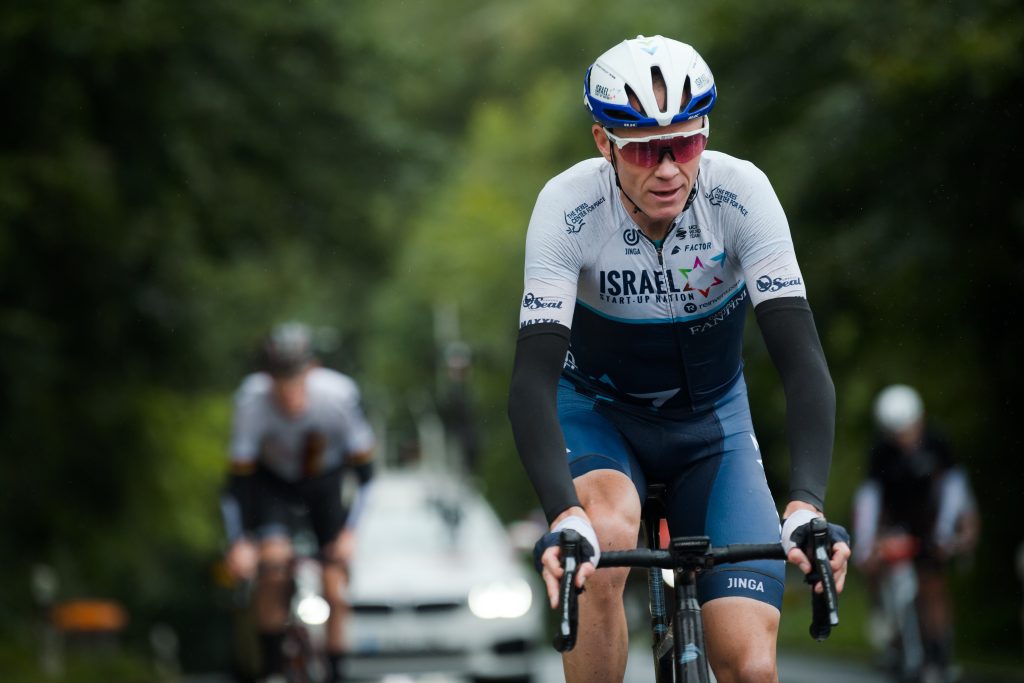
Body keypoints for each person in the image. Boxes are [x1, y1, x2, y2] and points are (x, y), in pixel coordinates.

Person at [507, 34, 850, 683]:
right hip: (599, 417)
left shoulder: (741, 195)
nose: (668, 169)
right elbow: (530, 382)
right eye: (644, 149)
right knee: (604, 537)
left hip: (712, 427)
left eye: (685, 145)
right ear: (604, 142)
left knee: (751, 667)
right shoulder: (567, 207)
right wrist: (564, 513)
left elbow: (803, 361)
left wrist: (806, 502)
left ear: (705, 135)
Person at [220, 322, 375, 683]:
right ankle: (273, 670)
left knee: (335, 584)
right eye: (279, 380)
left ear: (313, 370)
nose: (288, 391)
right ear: (266, 377)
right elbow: (236, 483)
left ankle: (337, 671)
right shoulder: (251, 401)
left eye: (295, 378)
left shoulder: (338, 396)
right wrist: (239, 541)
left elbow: (366, 477)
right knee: (272, 567)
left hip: (324, 484)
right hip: (274, 485)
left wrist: (351, 534)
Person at [852, 384, 980, 682]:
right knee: (876, 567)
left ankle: (939, 654)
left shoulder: (937, 443)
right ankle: (889, 633)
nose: (903, 440)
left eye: (907, 431)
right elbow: (870, 501)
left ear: (919, 421)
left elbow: (956, 492)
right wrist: (867, 543)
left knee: (932, 586)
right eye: (896, 434)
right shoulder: (881, 452)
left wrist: (958, 532)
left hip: (932, 525)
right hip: (896, 526)